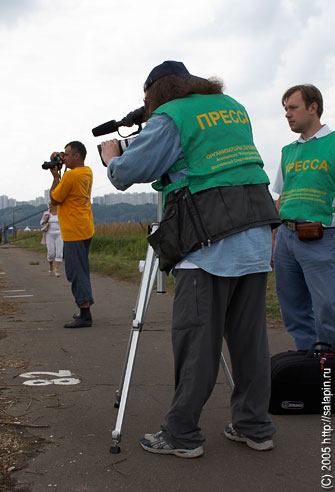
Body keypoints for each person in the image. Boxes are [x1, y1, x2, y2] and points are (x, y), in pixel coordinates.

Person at [101, 60, 280, 458]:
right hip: (255, 233)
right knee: (250, 342)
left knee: (196, 343)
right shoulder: (231, 106)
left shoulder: (171, 115)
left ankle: (181, 433)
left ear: (155, 91)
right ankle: (255, 426)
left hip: (207, 243)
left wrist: (111, 155)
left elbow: (127, 173)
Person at [272, 84, 335, 351]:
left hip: (321, 236)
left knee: (328, 306)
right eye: (285, 109)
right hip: (286, 237)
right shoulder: (288, 151)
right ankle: (308, 366)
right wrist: (273, 241)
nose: (287, 114)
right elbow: (281, 197)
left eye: (293, 108)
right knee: (294, 310)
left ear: (313, 107)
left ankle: (328, 369)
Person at [49, 141, 95, 328]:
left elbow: (55, 198)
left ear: (77, 156)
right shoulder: (87, 172)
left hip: (73, 231)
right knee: (82, 270)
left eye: (67, 154)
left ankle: (85, 314)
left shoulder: (70, 177)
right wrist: (61, 163)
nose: (64, 157)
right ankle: (85, 309)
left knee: (76, 273)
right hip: (85, 227)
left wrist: (55, 176)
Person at [40, 202, 63, 277]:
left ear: (56, 206)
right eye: (49, 205)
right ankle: (51, 266)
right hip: (49, 234)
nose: (50, 206)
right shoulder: (46, 213)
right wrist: (46, 220)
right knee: (51, 253)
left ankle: (56, 269)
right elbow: (41, 223)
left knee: (59, 252)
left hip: (59, 234)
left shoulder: (60, 212)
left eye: (52, 205)